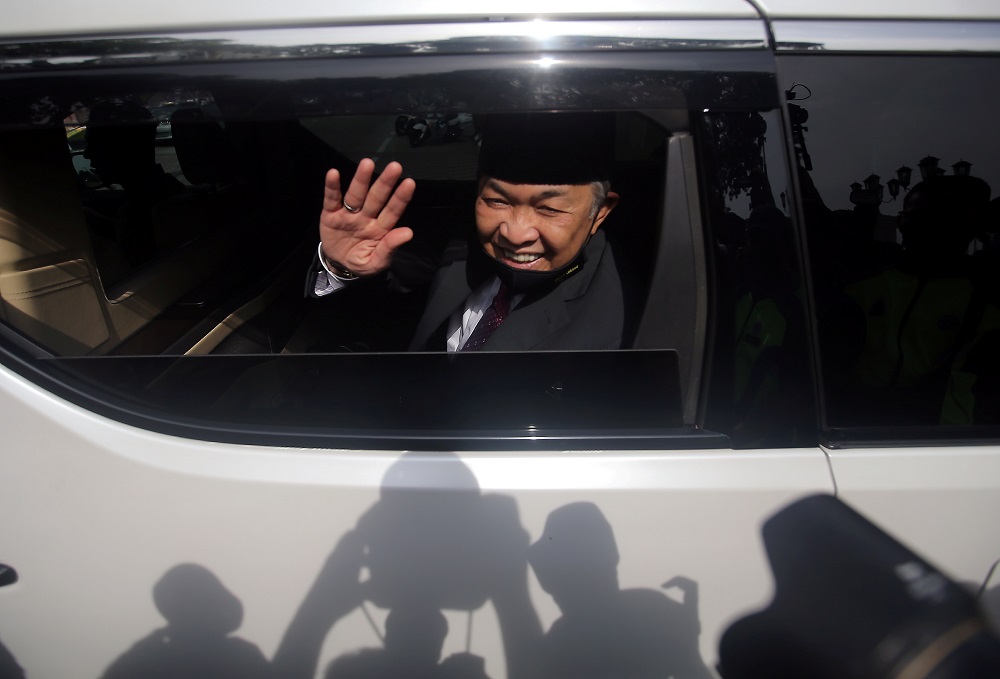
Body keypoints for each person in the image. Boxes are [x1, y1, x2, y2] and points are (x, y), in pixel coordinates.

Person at [307, 113, 627, 352]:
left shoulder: (623, 322)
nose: (514, 234)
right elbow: (379, 307)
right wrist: (341, 268)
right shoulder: (458, 239)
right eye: (496, 200)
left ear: (600, 212)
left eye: (549, 210)